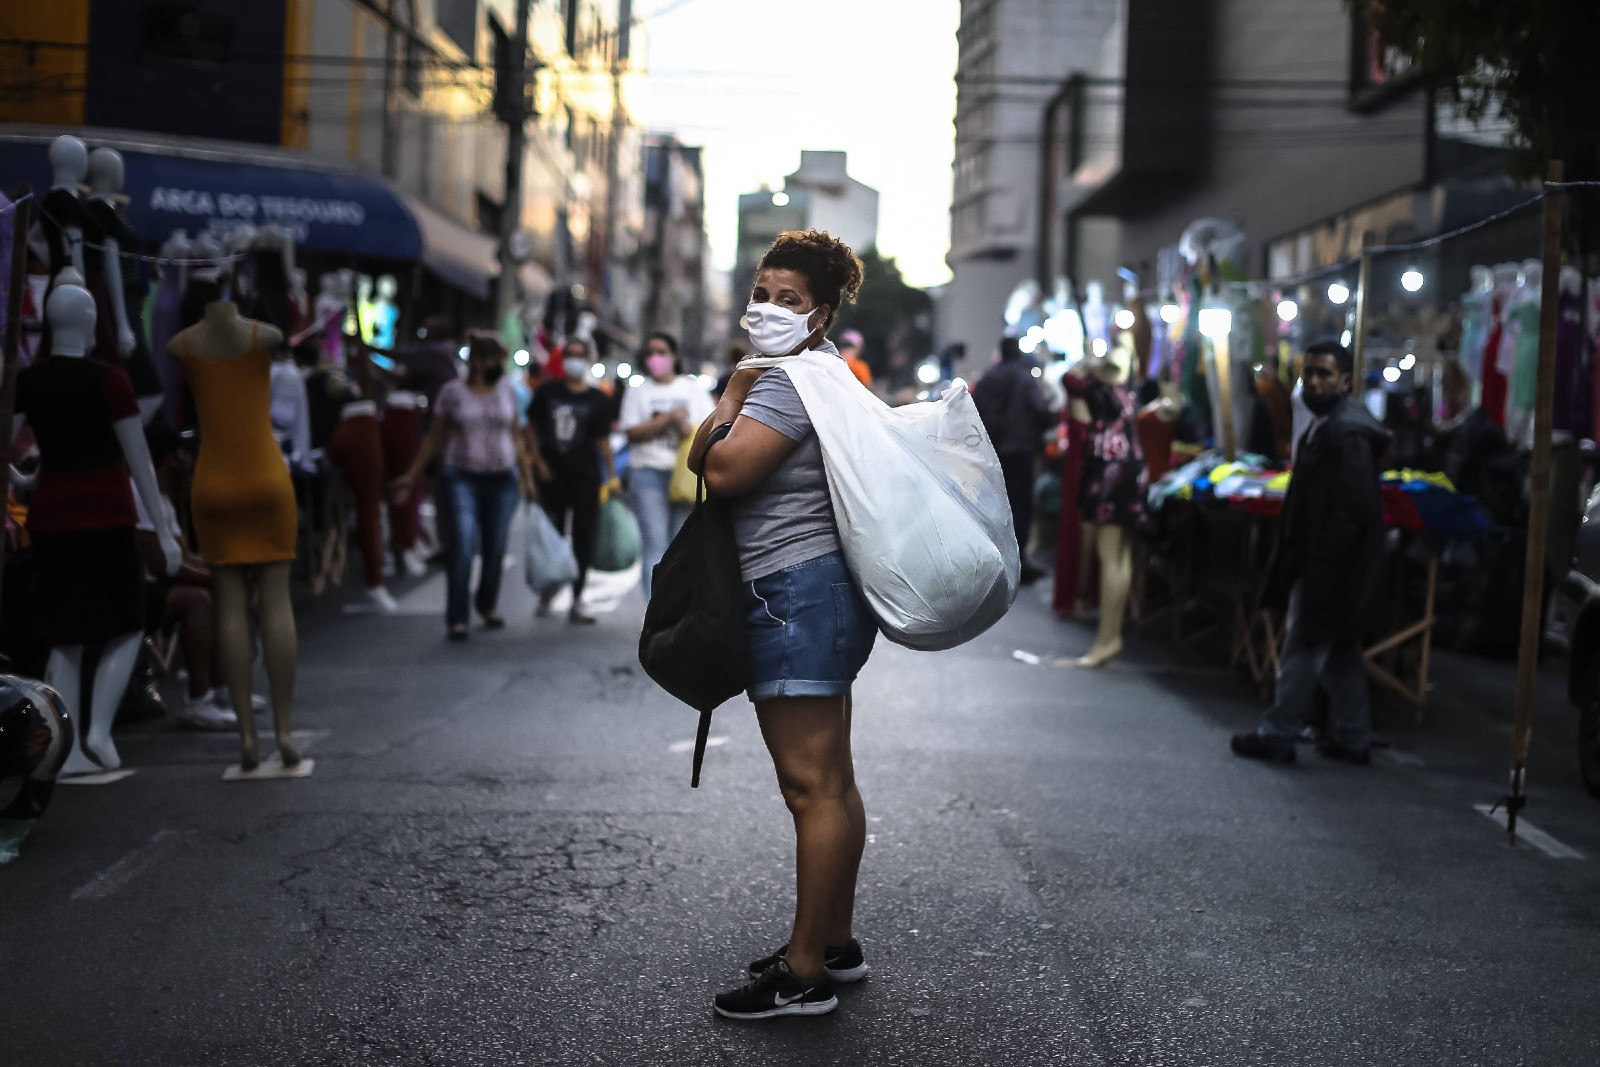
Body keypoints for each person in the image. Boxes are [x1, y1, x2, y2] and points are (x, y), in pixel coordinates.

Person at [687, 229, 873, 1021]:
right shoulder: (818, 372)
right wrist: (731, 401)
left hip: (792, 591)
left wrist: (732, 395)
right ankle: (832, 942)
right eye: (762, 292)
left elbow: (719, 466)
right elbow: (704, 455)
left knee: (809, 786)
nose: (766, 308)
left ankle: (803, 974)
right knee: (832, 776)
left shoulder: (787, 381)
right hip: (821, 590)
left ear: (820, 315)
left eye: (787, 299)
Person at [1231, 341, 1390, 765]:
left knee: (1304, 645)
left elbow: (1352, 511)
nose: (1316, 382)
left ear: (1345, 380)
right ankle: (1354, 736)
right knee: (1339, 650)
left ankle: (1278, 731)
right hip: (1327, 561)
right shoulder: (1330, 425)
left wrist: (1324, 566)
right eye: (1310, 374)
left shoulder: (1345, 432)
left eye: (1325, 374)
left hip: (1331, 564)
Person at [392, 333, 535, 641]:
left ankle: (486, 605)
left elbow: (517, 437)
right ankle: (457, 617)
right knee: (463, 546)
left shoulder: (508, 390)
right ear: (478, 361)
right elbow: (434, 437)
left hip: (502, 479)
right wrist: (411, 474)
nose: (499, 365)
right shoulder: (452, 392)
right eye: (494, 359)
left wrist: (529, 479)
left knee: (495, 548)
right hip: (462, 477)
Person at [618, 332, 714, 600]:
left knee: (680, 546)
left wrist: (684, 427)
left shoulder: (692, 390)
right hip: (648, 473)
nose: (655, 358)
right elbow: (631, 433)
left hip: (684, 475)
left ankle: (676, 610)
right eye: (650, 353)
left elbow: (707, 430)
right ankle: (654, 612)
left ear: (674, 356)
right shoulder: (638, 392)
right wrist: (667, 420)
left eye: (661, 352)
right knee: (655, 544)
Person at [528, 338, 617, 625]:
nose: (574, 361)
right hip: (551, 476)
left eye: (580, 355)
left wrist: (612, 476)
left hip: (585, 477)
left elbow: (604, 441)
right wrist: (536, 463)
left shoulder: (598, 399)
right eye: (570, 355)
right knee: (551, 535)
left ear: (589, 360)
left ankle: (577, 599)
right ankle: (549, 588)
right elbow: (529, 427)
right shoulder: (547, 391)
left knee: (582, 538)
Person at [972, 336, 1051, 584]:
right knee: (1020, 507)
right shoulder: (1025, 377)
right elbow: (1041, 410)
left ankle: (993, 559)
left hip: (992, 453)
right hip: (1020, 451)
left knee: (992, 504)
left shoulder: (986, 379)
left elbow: (973, 412)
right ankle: (1018, 562)